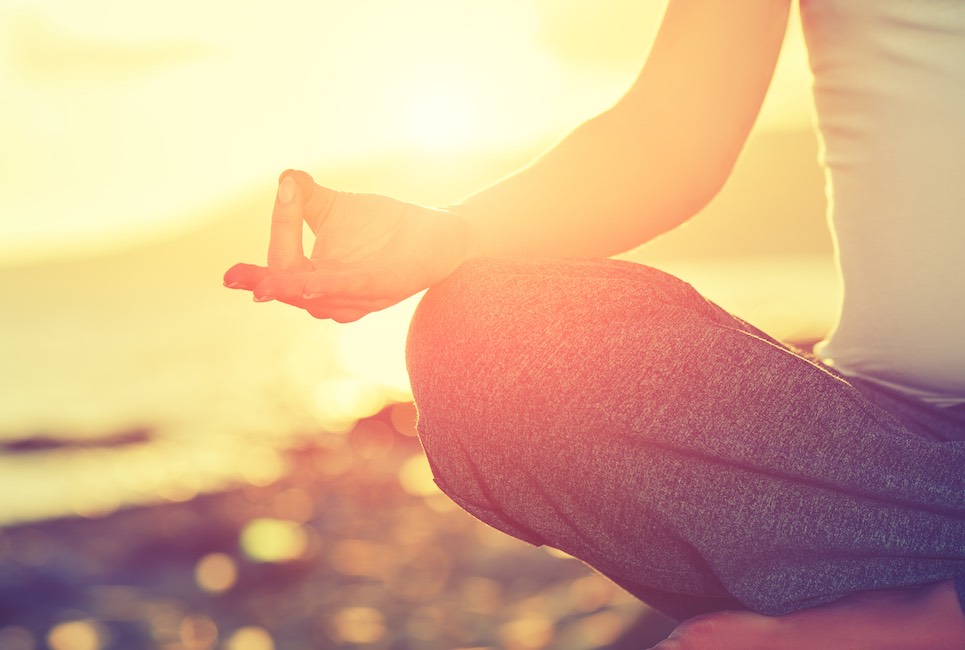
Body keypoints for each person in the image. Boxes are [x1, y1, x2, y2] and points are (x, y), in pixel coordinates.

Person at [224, 0, 965, 647]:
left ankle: (927, 608)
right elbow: (668, 134)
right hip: (895, 459)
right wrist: (457, 234)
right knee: (490, 340)